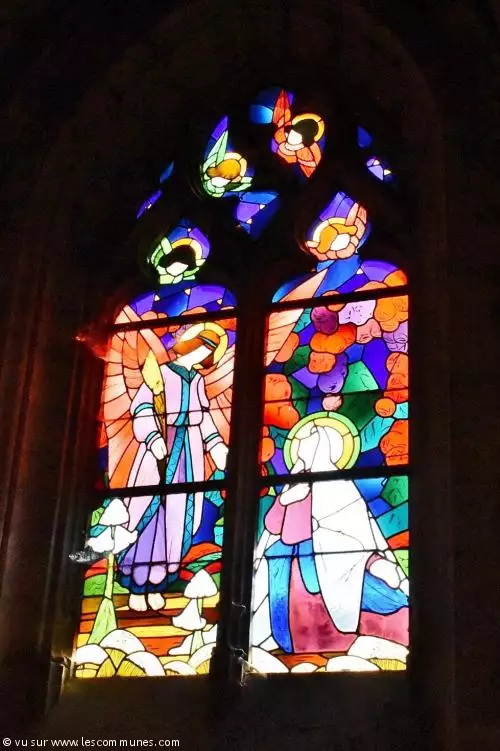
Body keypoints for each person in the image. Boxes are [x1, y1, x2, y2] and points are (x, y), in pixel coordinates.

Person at [261, 421, 408, 654]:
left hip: (337, 560)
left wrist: (372, 561)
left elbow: (357, 534)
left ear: (323, 445)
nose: (301, 442)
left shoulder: (341, 486)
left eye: (309, 437)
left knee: (377, 598)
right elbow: (271, 524)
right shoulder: (293, 482)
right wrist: (285, 499)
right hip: (291, 561)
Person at [116, 325, 228, 612]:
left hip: (188, 454)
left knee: (177, 519)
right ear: (189, 344)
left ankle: (157, 582)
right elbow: (142, 408)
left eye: (209, 350)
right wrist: (153, 438)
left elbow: (202, 418)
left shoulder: (197, 381)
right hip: (159, 452)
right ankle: (136, 585)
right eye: (201, 346)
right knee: (149, 513)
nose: (203, 353)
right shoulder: (161, 374)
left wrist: (216, 445)